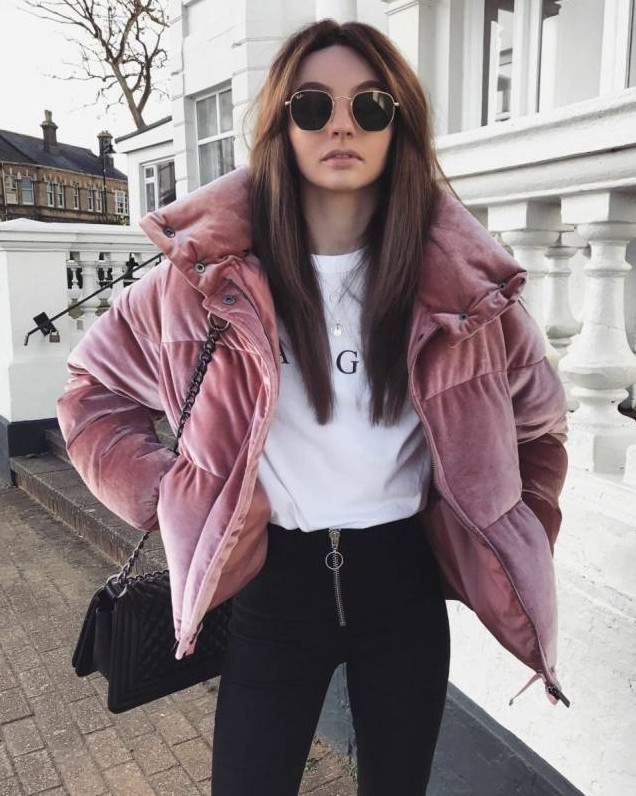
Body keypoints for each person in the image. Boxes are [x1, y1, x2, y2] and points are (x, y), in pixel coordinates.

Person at [57, 18, 570, 796]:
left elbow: (540, 427)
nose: (341, 124)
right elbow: (91, 394)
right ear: (281, 124)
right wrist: (172, 495)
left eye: (371, 106)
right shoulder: (204, 284)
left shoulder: (463, 290)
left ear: (399, 126)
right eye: (312, 105)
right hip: (274, 586)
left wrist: (517, 524)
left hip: (403, 586)